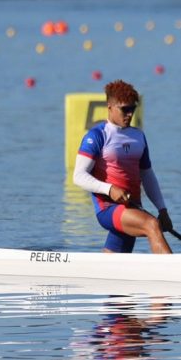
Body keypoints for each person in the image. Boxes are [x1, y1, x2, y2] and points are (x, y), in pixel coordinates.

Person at [73, 80, 173, 253]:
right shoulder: (97, 136)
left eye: (132, 109)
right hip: (108, 208)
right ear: (110, 107)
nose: (129, 114)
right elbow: (79, 176)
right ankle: (174, 275)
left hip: (133, 208)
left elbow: (147, 176)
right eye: (124, 109)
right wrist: (110, 189)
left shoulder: (138, 137)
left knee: (112, 262)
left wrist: (162, 209)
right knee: (151, 225)